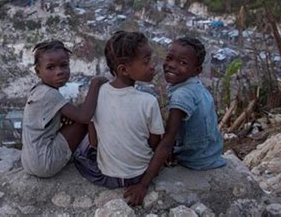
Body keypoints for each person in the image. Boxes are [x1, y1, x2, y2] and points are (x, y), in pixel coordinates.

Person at [124, 37, 226, 206]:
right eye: (169, 58)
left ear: (196, 70)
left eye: (182, 62)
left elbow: (168, 142)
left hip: (196, 158)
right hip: (211, 151)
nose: (171, 65)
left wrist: (143, 185)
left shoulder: (182, 95)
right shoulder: (195, 85)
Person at [74, 31, 165, 189]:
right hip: (141, 175)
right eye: (146, 61)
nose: (152, 66)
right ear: (123, 70)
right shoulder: (149, 102)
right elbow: (154, 143)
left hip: (109, 177)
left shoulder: (98, 94)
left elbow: (94, 142)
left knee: (81, 153)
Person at [21, 40, 107, 178]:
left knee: (79, 110)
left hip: (29, 161)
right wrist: (95, 84)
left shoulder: (38, 90)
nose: (59, 72)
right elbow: (84, 116)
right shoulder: (50, 94)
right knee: (85, 119)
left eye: (64, 65)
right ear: (38, 71)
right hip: (45, 162)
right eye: (51, 68)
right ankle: (93, 153)